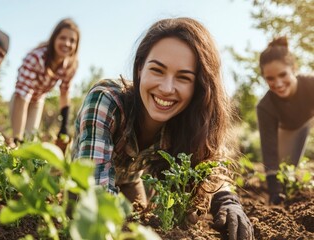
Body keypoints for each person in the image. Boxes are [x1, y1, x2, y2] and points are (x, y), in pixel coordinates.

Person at [72, 17, 253, 239]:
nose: (167, 88)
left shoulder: (187, 121)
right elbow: (96, 195)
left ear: (198, 86)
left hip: (130, 180)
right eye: (157, 70)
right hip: (81, 185)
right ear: (139, 68)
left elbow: (209, 165)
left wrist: (225, 198)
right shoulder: (106, 101)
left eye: (183, 77)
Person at [256, 36, 314, 205]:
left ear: (293, 69)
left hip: (310, 118)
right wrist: (274, 190)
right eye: (270, 79)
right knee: (285, 173)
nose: (278, 83)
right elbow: (269, 149)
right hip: (289, 130)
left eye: (283, 75)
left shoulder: (310, 85)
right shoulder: (265, 107)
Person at [10, 18, 79, 146]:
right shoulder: (36, 58)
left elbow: (64, 93)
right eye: (62, 38)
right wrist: (17, 136)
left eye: (72, 40)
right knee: (18, 140)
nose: (67, 43)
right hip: (20, 100)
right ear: (54, 38)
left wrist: (64, 127)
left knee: (29, 140)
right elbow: (23, 97)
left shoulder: (70, 65)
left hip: (37, 101)